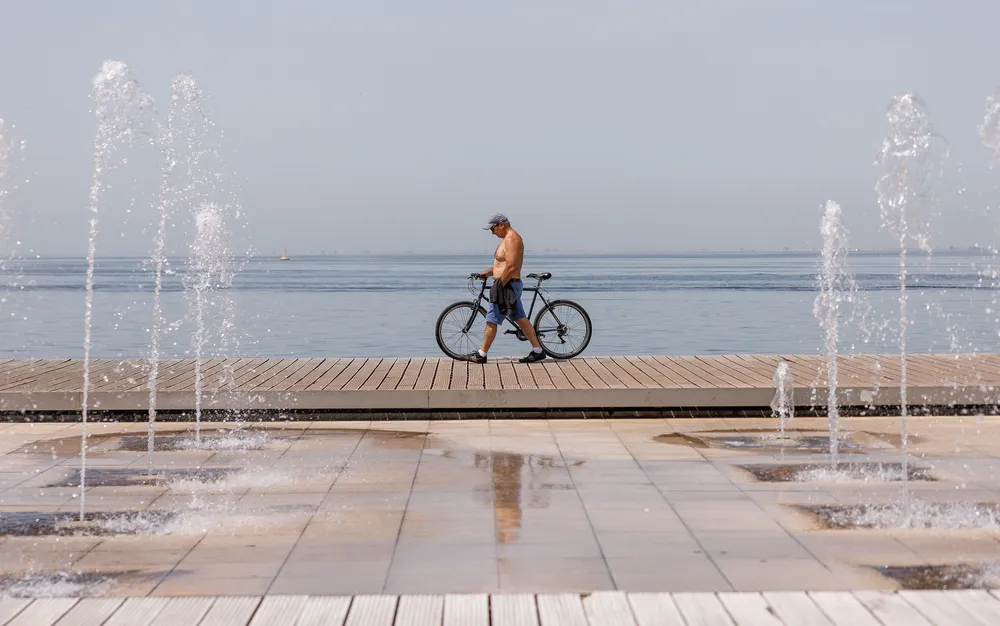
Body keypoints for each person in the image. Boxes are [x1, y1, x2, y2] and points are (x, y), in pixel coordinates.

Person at [460, 214, 546, 364]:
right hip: (508, 284)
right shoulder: (506, 240)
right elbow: (501, 266)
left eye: (493, 229)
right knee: (520, 318)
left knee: (491, 318)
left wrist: (498, 285)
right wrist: (485, 273)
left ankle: (481, 354)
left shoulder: (512, 239)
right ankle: (538, 350)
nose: (492, 233)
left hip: (507, 285)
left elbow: (512, 266)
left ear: (501, 224)